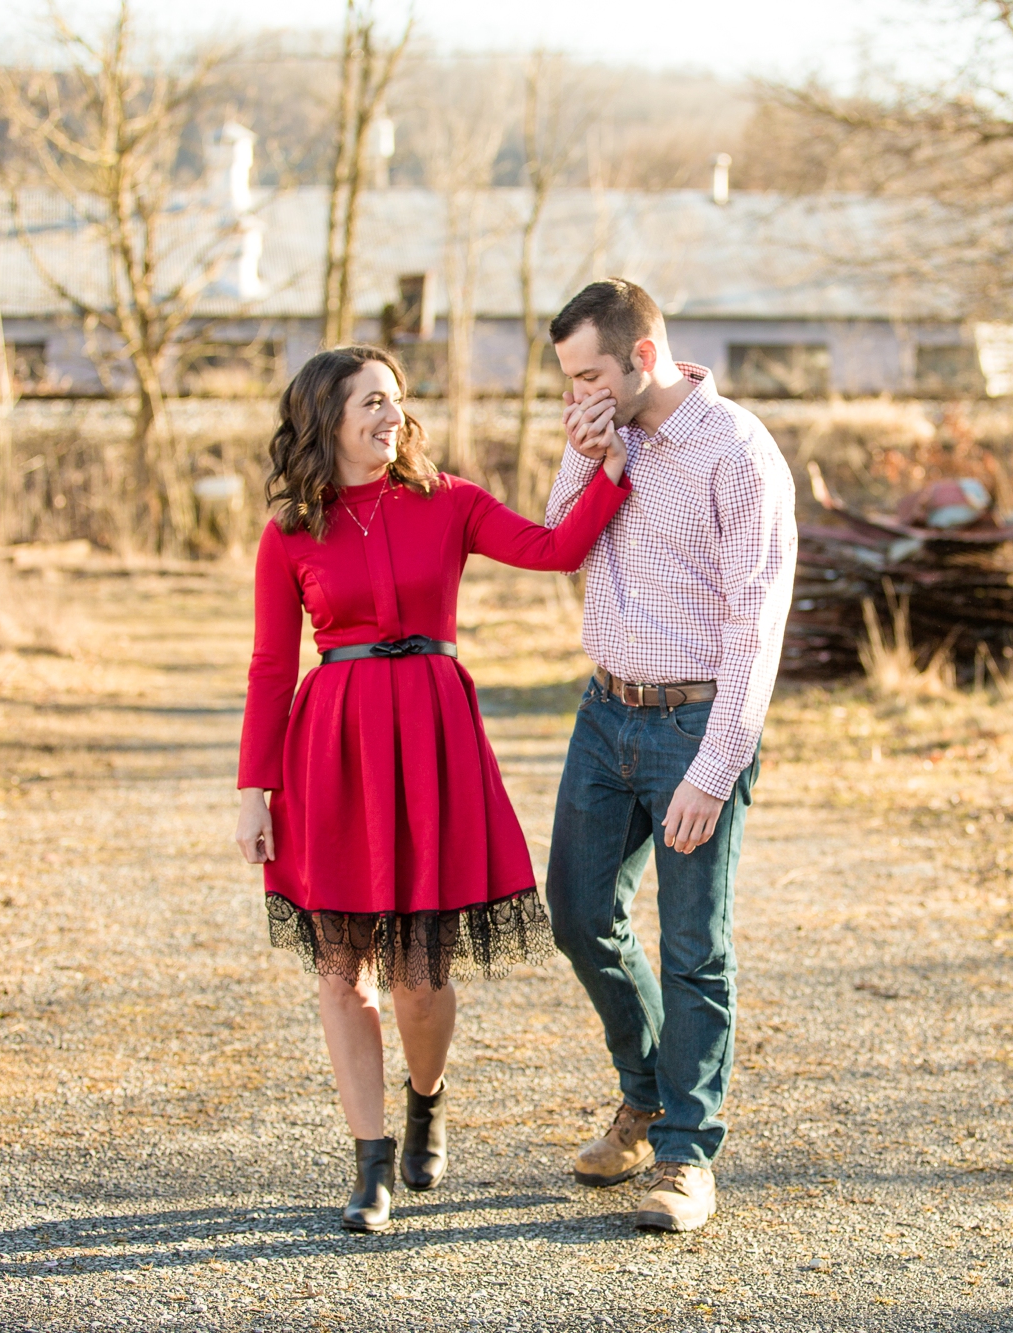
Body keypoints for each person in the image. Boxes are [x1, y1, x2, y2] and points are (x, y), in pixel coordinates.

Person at [234, 344, 631, 1234]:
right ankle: (370, 1160)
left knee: (420, 976)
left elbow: (557, 546)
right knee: (343, 971)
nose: (391, 414)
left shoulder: (446, 500)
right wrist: (253, 788)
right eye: (372, 401)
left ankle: (427, 1095)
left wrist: (603, 470)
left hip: (432, 742)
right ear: (326, 417)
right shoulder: (291, 531)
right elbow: (269, 666)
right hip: (332, 753)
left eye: (397, 399)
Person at [542, 279, 797, 1233]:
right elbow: (566, 547)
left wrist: (714, 765)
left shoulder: (738, 454)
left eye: (589, 376)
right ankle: (644, 1094)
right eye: (566, 382)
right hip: (605, 711)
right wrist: (584, 455)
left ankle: (688, 1156)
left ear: (641, 356)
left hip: (697, 721)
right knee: (576, 911)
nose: (578, 396)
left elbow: (755, 631)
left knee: (695, 948)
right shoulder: (604, 435)